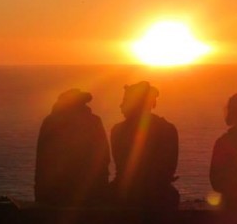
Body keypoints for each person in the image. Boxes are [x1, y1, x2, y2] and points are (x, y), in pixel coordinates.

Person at [110, 81, 179, 209]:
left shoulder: (118, 130)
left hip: (128, 196)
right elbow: (169, 168)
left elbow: (121, 166)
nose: (121, 105)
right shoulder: (168, 129)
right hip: (159, 196)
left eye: (125, 100)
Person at [35, 89, 110, 206]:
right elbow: (103, 158)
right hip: (89, 190)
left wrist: (40, 190)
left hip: (57, 191)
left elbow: (42, 160)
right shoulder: (94, 121)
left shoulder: (50, 122)